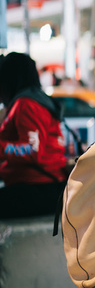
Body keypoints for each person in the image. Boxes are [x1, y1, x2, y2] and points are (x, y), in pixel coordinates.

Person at [0, 52, 68, 218]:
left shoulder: (26, 103)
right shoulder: (34, 100)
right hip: (42, 187)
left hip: (37, 190)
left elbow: (32, 151)